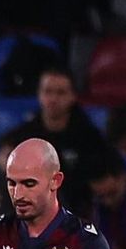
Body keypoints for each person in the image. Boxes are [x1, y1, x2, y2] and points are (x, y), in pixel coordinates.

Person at [10, 68, 111, 213]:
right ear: (39, 94)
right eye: (48, 92)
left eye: (60, 93)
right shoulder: (24, 135)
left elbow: (102, 180)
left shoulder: (89, 136)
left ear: (73, 96)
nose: (53, 99)